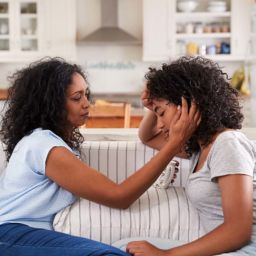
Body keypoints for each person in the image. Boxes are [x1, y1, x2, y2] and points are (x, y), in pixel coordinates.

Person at [0, 57, 199, 256]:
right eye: (77, 98)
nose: (87, 104)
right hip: (11, 235)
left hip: (24, 235)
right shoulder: (44, 145)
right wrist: (174, 143)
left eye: (87, 95)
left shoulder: (49, 141)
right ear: (51, 103)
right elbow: (119, 197)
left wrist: (152, 109)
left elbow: (147, 137)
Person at [122, 56, 256, 255]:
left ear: (187, 105)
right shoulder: (200, 149)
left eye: (161, 113)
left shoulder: (228, 144)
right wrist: (153, 106)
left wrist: (166, 255)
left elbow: (238, 231)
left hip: (246, 249)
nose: (159, 124)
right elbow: (147, 136)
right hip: (228, 249)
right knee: (123, 245)